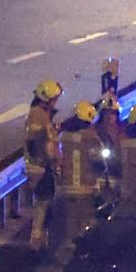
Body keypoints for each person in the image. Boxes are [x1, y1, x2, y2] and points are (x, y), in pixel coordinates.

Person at [57, 101, 107, 252]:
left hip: (66, 188)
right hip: (86, 189)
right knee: (87, 223)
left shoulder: (64, 136)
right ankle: (84, 253)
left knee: (71, 222)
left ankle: (70, 250)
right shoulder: (91, 138)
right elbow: (99, 164)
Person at [24, 80, 62, 250]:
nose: (55, 101)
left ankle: (40, 239)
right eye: (54, 98)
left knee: (45, 204)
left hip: (42, 166)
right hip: (40, 167)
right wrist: (45, 159)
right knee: (43, 204)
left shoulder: (42, 114)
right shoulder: (38, 114)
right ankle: (36, 243)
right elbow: (34, 140)